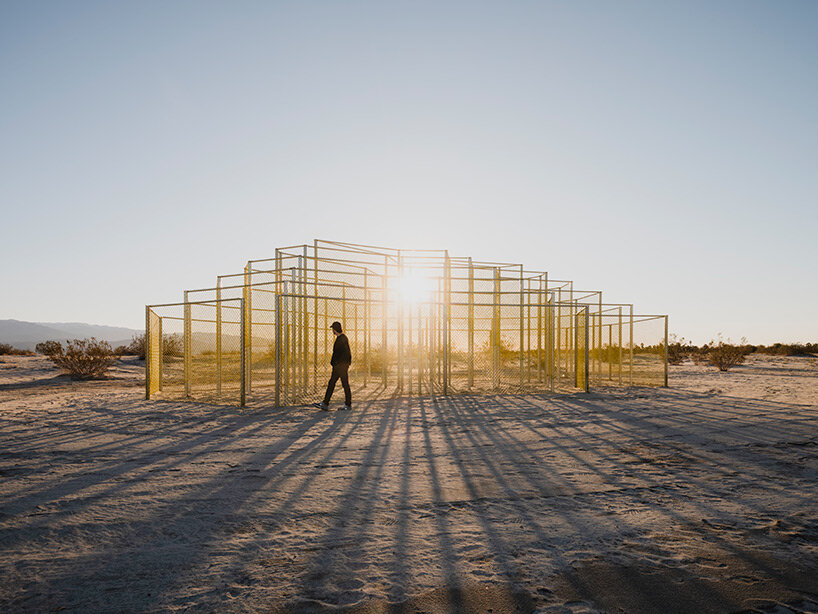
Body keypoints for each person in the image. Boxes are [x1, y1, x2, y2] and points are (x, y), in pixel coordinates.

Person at [313, 321, 351, 411]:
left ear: (335, 329)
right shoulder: (343, 338)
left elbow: (341, 354)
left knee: (340, 384)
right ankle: (326, 403)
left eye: (333, 329)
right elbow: (347, 353)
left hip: (340, 366)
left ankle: (328, 404)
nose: (332, 331)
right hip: (341, 366)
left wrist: (336, 363)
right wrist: (346, 363)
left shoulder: (341, 339)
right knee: (335, 384)